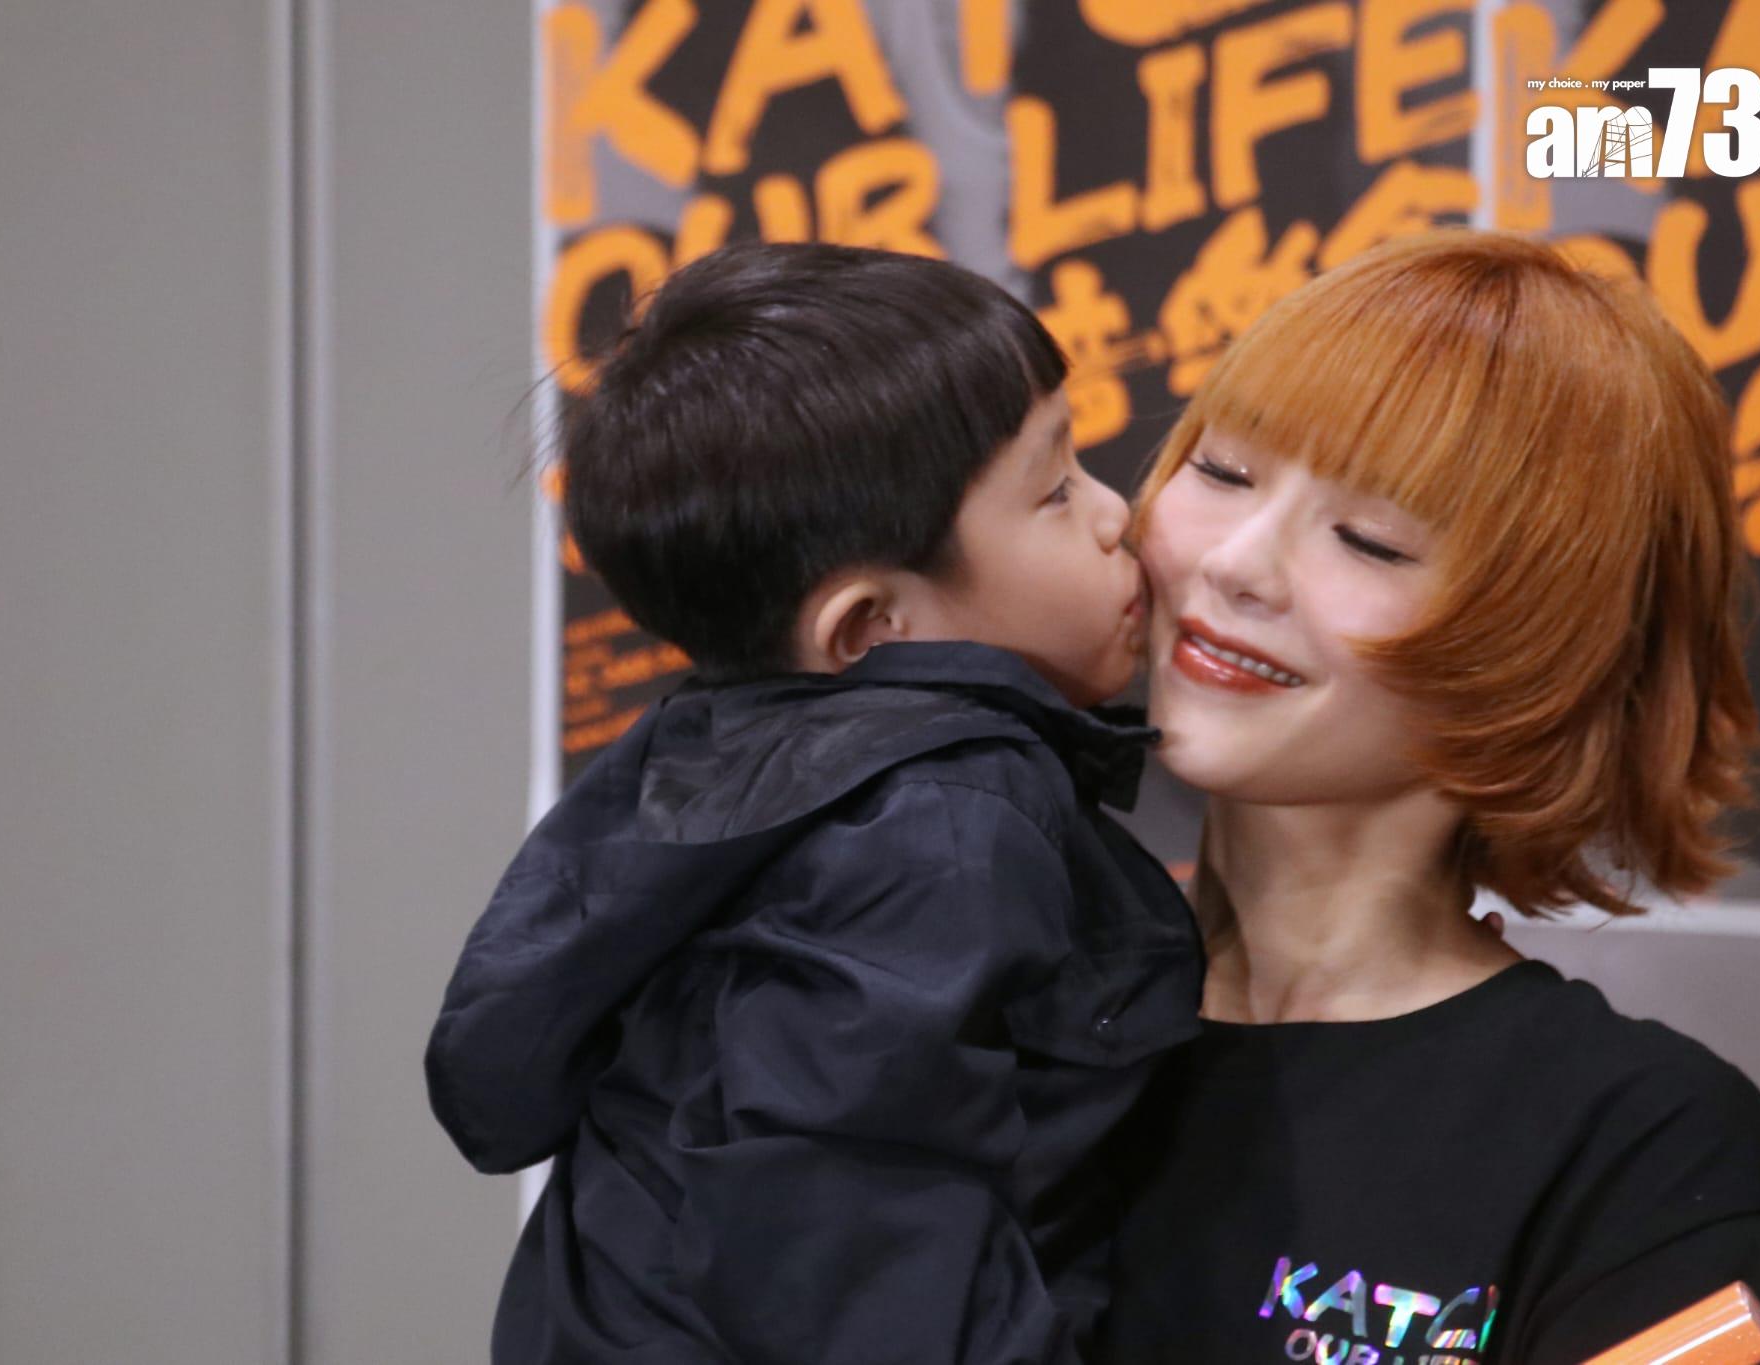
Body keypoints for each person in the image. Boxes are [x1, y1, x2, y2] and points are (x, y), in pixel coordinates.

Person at [424, 242, 1202, 1365]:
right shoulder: (933, 823)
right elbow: (858, 1256)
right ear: (871, 627)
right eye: (1053, 491)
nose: (1114, 513)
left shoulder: (720, 763)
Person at [1097, 230, 1760, 1363]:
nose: (1236, 562)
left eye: (1371, 542)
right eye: (1224, 470)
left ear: (1541, 651)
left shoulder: (1642, 1152)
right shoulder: (988, 1009)